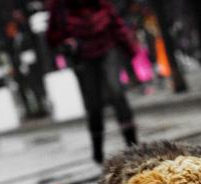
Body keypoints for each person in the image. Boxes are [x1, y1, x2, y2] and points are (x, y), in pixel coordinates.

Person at [47, 0, 139, 164]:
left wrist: (129, 47)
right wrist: (66, 40)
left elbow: (114, 21)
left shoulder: (101, 3)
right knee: (94, 105)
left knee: (117, 93)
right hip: (83, 57)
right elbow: (52, 36)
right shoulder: (60, 5)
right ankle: (97, 149)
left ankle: (133, 146)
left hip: (106, 48)